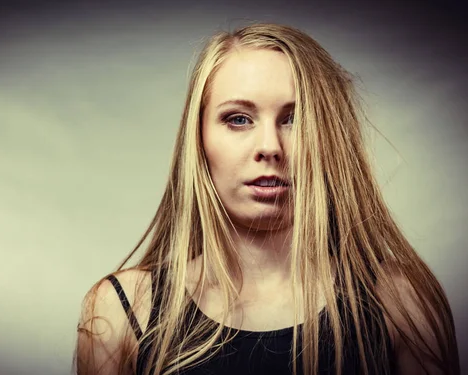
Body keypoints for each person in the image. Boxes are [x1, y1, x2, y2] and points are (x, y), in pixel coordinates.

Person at [74, 23, 460, 375]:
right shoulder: (122, 309)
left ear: (330, 141)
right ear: (199, 142)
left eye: (295, 119)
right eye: (238, 119)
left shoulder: (399, 301)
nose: (270, 147)